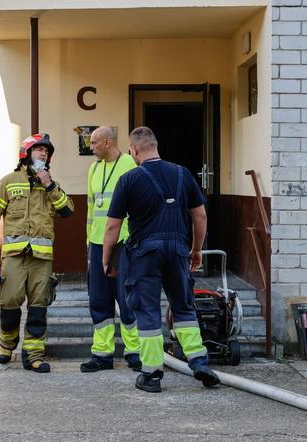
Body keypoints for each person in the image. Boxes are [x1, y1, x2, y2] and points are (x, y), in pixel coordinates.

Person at [103, 127, 220, 393]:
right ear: (156, 146)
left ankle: (152, 373)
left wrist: (107, 259)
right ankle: (199, 361)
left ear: (133, 150)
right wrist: (196, 250)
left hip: (144, 254)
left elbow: (112, 227)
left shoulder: (128, 179)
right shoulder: (182, 173)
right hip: (178, 250)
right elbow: (200, 216)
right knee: (184, 307)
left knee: (147, 311)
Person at [0, 134, 73, 373]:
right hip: (14, 256)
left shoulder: (50, 184)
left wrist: (49, 185)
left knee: (39, 307)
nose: (43, 154)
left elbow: (67, 210)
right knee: (9, 303)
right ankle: (7, 343)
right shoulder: (9, 181)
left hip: (41, 260)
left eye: (46, 152)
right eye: (39, 150)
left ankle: (33, 355)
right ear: (26, 153)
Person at [80, 127, 140, 373]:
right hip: (96, 243)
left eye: (94, 143)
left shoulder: (131, 165)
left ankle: (134, 352)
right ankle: (102, 354)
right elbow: (91, 210)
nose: (90, 147)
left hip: (124, 243)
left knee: (127, 300)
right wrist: (88, 244)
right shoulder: (93, 169)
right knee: (99, 300)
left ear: (107, 142)